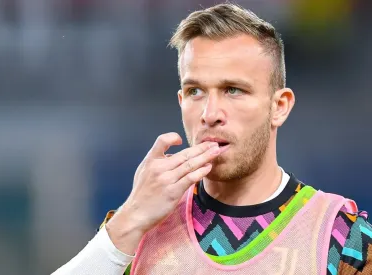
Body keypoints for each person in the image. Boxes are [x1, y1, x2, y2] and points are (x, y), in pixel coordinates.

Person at [52, 3, 372, 275]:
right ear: (181, 102)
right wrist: (131, 218)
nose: (210, 113)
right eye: (195, 91)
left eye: (233, 90)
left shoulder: (342, 238)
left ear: (279, 106)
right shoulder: (134, 231)